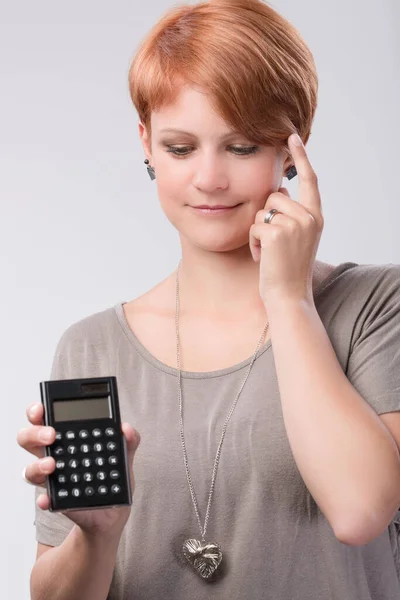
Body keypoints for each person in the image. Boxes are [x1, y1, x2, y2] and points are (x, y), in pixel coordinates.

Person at [17, 0, 400, 598]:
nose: (210, 179)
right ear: (145, 143)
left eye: (242, 147)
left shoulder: (375, 305)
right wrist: (97, 536)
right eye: (179, 148)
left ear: (292, 147)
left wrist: (290, 299)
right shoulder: (90, 347)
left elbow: (360, 513)